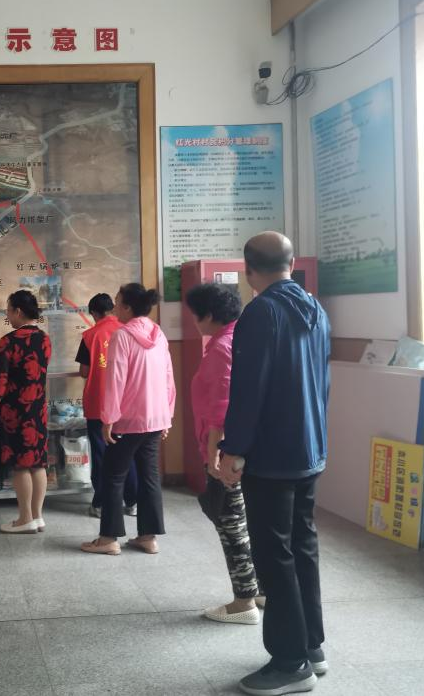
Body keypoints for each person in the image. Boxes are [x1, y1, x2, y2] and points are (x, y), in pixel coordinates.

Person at [217, 232, 331, 696]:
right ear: (291, 262)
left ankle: (289, 663)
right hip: (308, 449)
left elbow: (248, 389)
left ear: (248, 269)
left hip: (272, 454)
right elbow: (323, 383)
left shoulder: (261, 312)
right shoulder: (315, 308)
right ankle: (311, 646)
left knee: (273, 555)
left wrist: (234, 448)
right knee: (302, 547)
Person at [185, 283, 264, 625]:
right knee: (248, 521)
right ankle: (260, 589)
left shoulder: (221, 347)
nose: (194, 321)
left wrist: (214, 452)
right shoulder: (241, 339)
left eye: (195, 315)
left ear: (209, 315)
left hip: (227, 450)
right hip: (249, 447)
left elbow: (221, 406)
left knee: (230, 524)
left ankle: (243, 601)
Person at [80, 283, 175, 555]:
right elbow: (168, 378)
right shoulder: (158, 334)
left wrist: (108, 418)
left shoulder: (122, 336)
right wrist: (167, 416)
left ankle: (108, 539)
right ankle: (148, 537)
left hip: (128, 420)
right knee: (149, 477)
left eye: (118, 302)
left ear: (127, 307)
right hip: (155, 418)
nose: (114, 308)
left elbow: (115, 381)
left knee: (113, 476)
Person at [0, 290, 52, 534]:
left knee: (20, 465)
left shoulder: (8, 341)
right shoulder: (44, 339)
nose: (7, 314)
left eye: (8, 310)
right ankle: (38, 517)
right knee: (38, 462)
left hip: (15, 412)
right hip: (38, 409)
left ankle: (25, 519)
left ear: (18, 311)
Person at [75, 293, 138, 518]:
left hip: (99, 404)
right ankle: (132, 502)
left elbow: (84, 371)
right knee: (127, 453)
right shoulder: (128, 331)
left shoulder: (90, 335)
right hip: (126, 403)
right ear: (112, 309)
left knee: (101, 454)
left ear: (94, 313)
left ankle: (101, 504)